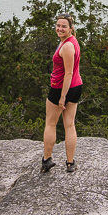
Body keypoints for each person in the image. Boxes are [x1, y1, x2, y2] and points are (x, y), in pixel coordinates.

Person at [42, 13, 82, 173]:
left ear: (71, 28)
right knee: (69, 125)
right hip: (76, 87)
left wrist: (62, 97)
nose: (60, 28)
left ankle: (46, 160)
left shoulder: (67, 46)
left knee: (51, 124)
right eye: (58, 25)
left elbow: (69, 73)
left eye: (64, 26)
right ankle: (70, 163)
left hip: (61, 88)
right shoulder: (72, 41)